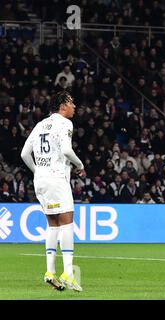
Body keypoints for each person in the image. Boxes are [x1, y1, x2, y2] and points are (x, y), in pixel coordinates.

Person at [20, 91, 84, 291]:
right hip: (57, 178)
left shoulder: (40, 125)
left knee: (52, 225)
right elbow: (66, 150)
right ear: (63, 105)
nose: (74, 106)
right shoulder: (65, 123)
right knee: (67, 223)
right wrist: (80, 165)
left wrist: (37, 170)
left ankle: (49, 271)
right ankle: (68, 273)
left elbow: (24, 153)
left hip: (41, 180)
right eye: (72, 103)